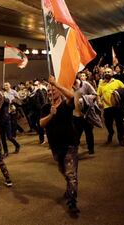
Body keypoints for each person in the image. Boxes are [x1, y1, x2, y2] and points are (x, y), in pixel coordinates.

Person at [40, 75, 80, 214]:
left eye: (53, 90)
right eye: (49, 91)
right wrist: (51, 115)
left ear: (58, 90)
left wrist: (55, 83)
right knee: (63, 170)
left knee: (71, 174)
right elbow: (41, 123)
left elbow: (72, 96)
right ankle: (69, 188)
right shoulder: (46, 107)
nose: (51, 92)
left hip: (69, 144)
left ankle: (72, 201)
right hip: (55, 146)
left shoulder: (66, 104)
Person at [97, 67, 124, 146]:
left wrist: (117, 93)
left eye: (108, 72)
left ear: (112, 73)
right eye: (105, 72)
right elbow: (98, 95)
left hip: (117, 107)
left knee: (119, 124)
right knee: (108, 124)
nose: (107, 73)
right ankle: (111, 132)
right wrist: (99, 101)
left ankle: (121, 139)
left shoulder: (117, 82)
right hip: (107, 108)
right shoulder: (101, 84)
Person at [73, 75, 97, 154]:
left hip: (86, 114)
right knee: (76, 134)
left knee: (88, 132)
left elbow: (94, 94)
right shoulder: (68, 87)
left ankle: (91, 148)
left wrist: (85, 99)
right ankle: (74, 150)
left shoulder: (85, 84)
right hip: (75, 115)